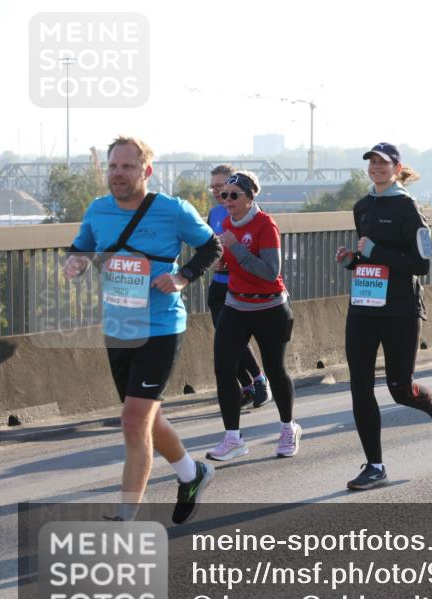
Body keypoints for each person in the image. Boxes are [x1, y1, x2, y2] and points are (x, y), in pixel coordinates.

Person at [63, 136, 222, 523]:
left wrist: (182, 277)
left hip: (160, 327)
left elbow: (212, 247)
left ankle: (125, 518)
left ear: (146, 171)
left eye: (127, 166)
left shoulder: (172, 210)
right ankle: (192, 473)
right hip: (119, 326)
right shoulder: (98, 210)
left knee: (134, 421)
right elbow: (81, 248)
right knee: (146, 417)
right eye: (113, 166)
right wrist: (74, 263)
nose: (118, 173)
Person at [337, 143, 432, 491]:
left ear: (396, 167)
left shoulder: (408, 207)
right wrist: (353, 261)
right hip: (364, 306)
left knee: (400, 389)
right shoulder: (362, 206)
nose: (376, 167)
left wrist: (376, 251)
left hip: (401, 309)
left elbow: (421, 264)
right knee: (359, 387)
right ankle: (375, 466)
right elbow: (370, 259)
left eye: (383, 162)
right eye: (372, 162)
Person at [206, 171, 302, 462]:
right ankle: (233, 438)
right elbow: (233, 262)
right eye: (224, 194)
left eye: (233, 195)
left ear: (249, 197)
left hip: (270, 307)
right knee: (224, 368)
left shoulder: (265, 224)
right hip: (236, 305)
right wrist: (222, 262)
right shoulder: (226, 224)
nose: (227, 200)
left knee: (275, 370)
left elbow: (270, 271)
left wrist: (235, 247)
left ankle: (288, 428)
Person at [205, 164, 271, 409]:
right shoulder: (214, 214)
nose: (217, 192)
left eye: (221, 187)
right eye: (213, 187)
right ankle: (248, 387)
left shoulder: (252, 215)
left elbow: (259, 255)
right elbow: (210, 247)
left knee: (235, 339)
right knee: (225, 341)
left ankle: (259, 380)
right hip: (218, 286)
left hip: (241, 287)